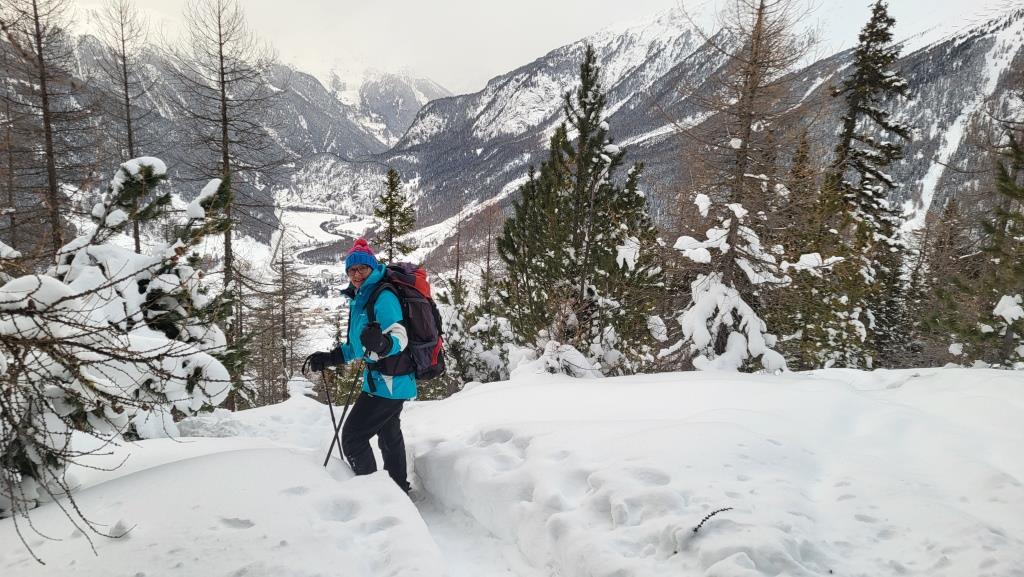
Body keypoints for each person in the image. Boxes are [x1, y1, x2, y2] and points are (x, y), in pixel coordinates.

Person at [306, 238, 416, 493]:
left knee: (353, 438)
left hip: (390, 382)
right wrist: (331, 358)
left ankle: (374, 496)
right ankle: (397, 490)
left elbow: (400, 336)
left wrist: (384, 344)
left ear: (372, 268)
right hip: (385, 380)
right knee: (389, 434)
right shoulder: (361, 297)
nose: (356, 275)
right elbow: (358, 346)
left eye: (362, 269)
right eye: (351, 270)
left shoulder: (382, 295)